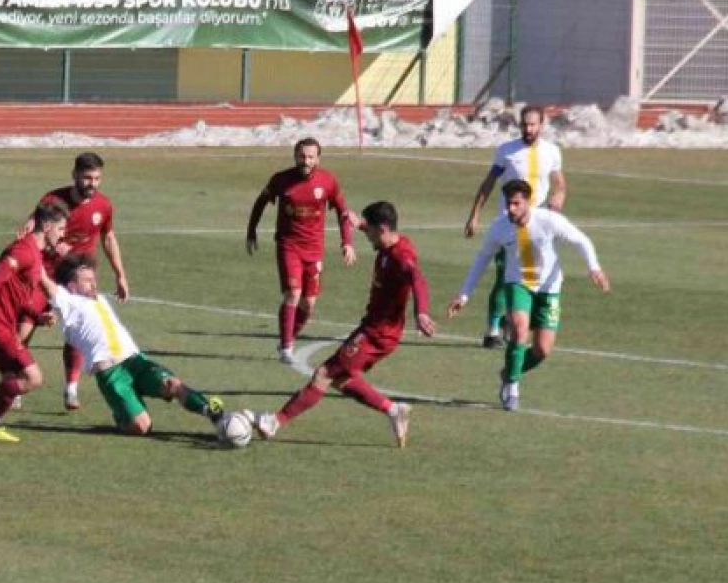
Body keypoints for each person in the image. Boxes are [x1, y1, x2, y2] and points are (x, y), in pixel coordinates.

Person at [255, 201, 435, 449]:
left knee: (324, 374)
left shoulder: (400, 256)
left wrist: (421, 312)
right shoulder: (395, 242)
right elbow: (378, 234)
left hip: (377, 334)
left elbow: (417, 279)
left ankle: (275, 421)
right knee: (342, 379)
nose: (368, 237)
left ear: (382, 229)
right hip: (373, 329)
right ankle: (394, 410)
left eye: (370, 231)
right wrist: (358, 223)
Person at [448, 179, 609, 411]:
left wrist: (594, 268)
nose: (511, 209)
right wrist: (464, 295)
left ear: (528, 202)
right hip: (518, 284)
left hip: (549, 288)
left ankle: (509, 371)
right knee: (520, 330)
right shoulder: (499, 227)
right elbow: (482, 258)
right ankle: (512, 387)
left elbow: (581, 240)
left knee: (542, 350)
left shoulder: (549, 221)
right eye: (508, 203)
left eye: (516, 203)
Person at [37, 254, 225, 435]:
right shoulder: (69, 302)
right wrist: (32, 247)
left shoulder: (98, 299)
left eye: (94, 279)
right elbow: (45, 282)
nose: (94, 284)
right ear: (71, 286)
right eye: (87, 280)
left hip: (135, 361)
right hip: (111, 373)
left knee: (173, 384)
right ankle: (122, 416)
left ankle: (213, 413)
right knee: (142, 427)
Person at [22, 152, 129, 411]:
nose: (92, 183)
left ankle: (71, 389)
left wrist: (120, 274)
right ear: (74, 175)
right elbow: (32, 230)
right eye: (87, 178)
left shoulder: (103, 205)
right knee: (25, 328)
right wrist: (53, 245)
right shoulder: (53, 201)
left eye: (97, 178)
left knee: (77, 331)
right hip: (46, 274)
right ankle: (16, 381)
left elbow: (108, 238)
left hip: (79, 279)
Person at [0, 203, 69, 443]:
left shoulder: (36, 254)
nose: (63, 235)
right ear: (47, 226)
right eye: (61, 229)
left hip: (0, 324)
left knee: (13, 378)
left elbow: (16, 295)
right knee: (33, 377)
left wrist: (36, 316)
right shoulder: (23, 250)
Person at [245, 137, 356, 365]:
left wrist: (347, 242)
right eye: (302, 156)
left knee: (309, 304)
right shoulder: (281, 180)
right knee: (293, 293)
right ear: (295, 156)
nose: (306, 161)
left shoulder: (328, 182)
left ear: (318, 158)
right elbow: (261, 201)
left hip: (314, 250)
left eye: (310, 157)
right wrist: (251, 230)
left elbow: (343, 212)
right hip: (289, 246)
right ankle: (287, 348)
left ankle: (288, 338)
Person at [464, 104, 567, 348]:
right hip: (510, 223)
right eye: (524, 124)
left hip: (539, 226)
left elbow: (560, 183)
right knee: (505, 275)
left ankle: (514, 323)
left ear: (541, 125)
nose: (528, 129)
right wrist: (474, 215)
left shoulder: (552, 152)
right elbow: (488, 183)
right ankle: (492, 330)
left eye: (533, 125)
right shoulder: (507, 151)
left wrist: (559, 195)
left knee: (536, 276)